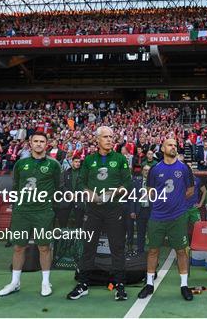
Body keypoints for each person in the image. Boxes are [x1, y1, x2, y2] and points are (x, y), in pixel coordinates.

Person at [67, 126, 132, 301]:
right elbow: (80, 183)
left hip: (114, 210)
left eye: (111, 137)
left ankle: (120, 285)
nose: (110, 139)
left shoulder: (120, 159)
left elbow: (127, 182)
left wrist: (112, 193)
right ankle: (83, 284)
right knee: (88, 247)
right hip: (93, 210)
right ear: (97, 140)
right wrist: (89, 193)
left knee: (117, 247)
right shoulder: (88, 160)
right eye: (105, 137)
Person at [0, 132, 61, 297]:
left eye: (42, 141)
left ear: (46, 144)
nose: (39, 144)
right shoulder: (20, 164)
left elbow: (56, 186)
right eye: (36, 141)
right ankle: (14, 282)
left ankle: (45, 282)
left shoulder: (53, 165)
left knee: (44, 247)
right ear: (30, 143)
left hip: (43, 211)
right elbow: (17, 185)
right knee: (19, 247)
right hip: (22, 211)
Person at [137, 138, 195, 301]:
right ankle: (149, 284)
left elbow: (190, 190)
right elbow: (149, 191)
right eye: (170, 145)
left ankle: (184, 285)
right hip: (157, 216)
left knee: (181, 251)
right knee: (153, 250)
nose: (173, 147)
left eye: (175, 145)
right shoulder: (155, 169)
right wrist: (161, 203)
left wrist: (176, 202)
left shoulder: (184, 169)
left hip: (177, 217)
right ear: (162, 148)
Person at [57, 156, 84, 228]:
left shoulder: (83, 173)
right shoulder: (66, 172)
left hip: (78, 199)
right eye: (76, 162)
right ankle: (63, 236)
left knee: (79, 222)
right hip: (66, 199)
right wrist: (69, 193)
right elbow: (62, 185)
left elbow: (85, 185)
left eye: (79, 162)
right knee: (63, 221)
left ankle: (78, 238)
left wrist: (76, 194)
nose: (78, 163)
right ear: (72, 162)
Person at [131, 165, 152, 253]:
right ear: (142, 171)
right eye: (145, 170)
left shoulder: (153, 183)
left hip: (151, 210)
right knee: (140, 232)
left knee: (152, 232)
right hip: (140, 210)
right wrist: (132, 210)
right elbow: (133, 197)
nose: (147, 171)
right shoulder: (136, 182)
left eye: (148, 170)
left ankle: (152, 251)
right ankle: (140, 251)